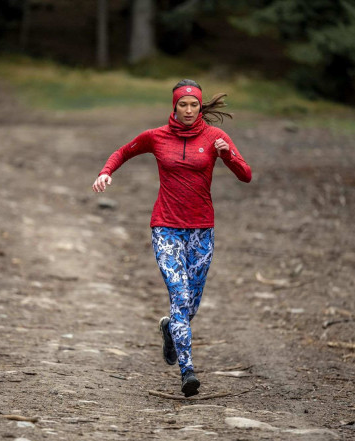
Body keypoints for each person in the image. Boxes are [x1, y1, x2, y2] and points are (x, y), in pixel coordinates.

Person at [92, 79, 252, 397]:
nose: (189, 110)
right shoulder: (157, 137)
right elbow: (124, 151)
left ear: (200, 106)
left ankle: (170, 329)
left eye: (194, 105)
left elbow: (246, 174)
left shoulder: (216, 137)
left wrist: (229, 157)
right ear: (174, 106)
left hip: (202, 230)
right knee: (179, 297)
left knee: (190, 304)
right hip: (165, 227)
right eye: (184, 105)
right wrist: (106, 171)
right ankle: (187, 371)